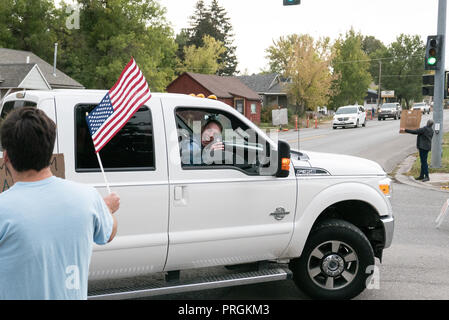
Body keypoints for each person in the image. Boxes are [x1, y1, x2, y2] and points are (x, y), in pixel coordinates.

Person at [0, 107, 119, 300]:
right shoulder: (88, 198)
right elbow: (109, 232)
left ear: (6, 157)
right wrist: (106, 209)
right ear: (49, 152)